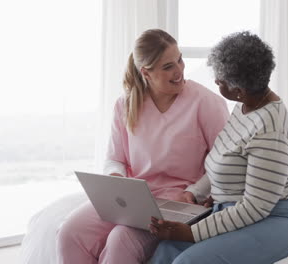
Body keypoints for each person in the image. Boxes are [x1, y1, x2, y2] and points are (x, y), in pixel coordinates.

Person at [149, 31, 288, 264]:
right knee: (165, 251)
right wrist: (198, 193)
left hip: (282, 217)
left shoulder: (270, 129)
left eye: (220, 80)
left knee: (189, 262)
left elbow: (255, 207)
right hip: (240, 210)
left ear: (239, 89)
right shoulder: (245, 107)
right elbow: (225, 160)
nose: (215, 82)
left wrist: (192, 232)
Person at [55, 29, 229, 264]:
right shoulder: (125, 104)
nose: (179, 70)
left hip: (178, 199)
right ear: (146, 72)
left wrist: (194, 192)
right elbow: (114, 158)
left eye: (179, 59)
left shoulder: (206, 102)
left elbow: (225, 163)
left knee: (120, 241)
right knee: (70, 233)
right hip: (134, 197)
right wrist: (116, 179)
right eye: (168, 66)